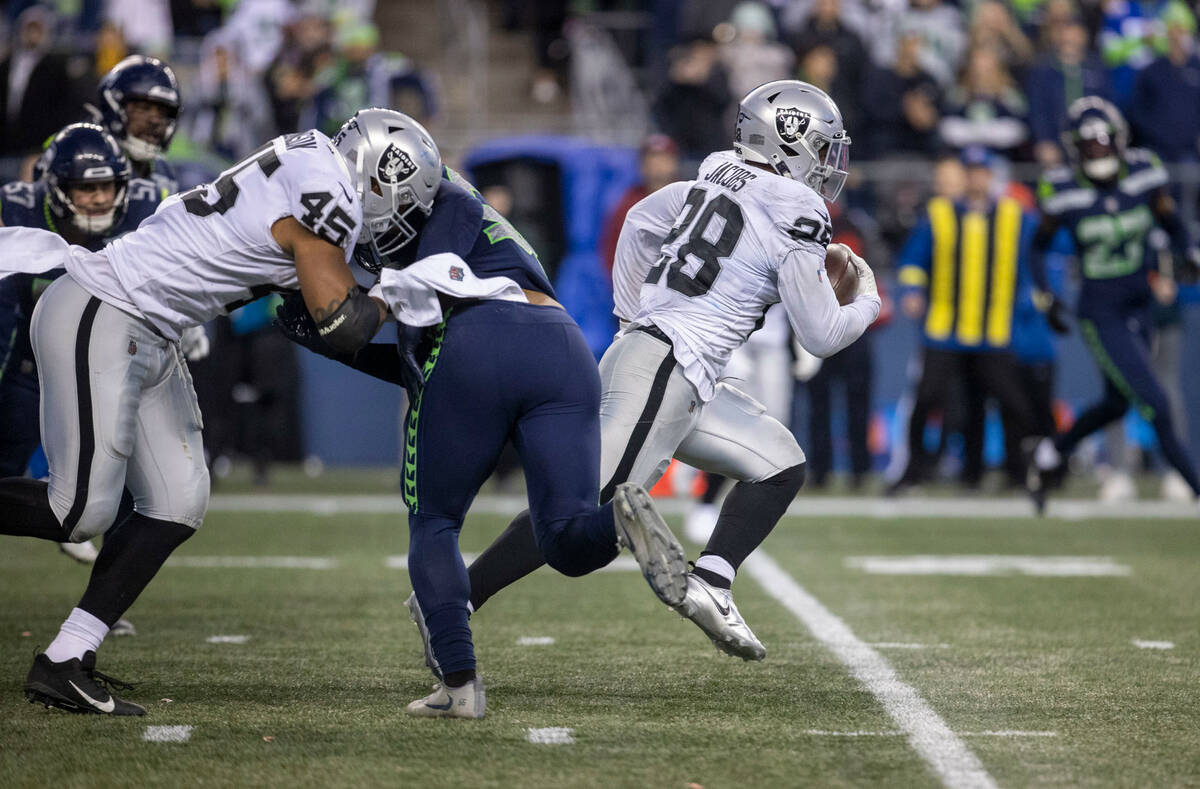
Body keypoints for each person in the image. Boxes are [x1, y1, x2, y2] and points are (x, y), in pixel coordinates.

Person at [277, 109, 688, 719]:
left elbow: (429, 351)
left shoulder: (445, 212)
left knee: (434, 523)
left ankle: (460, 685)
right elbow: (420, 359)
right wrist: (343, 340)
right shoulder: (455, 209)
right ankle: (619, 519)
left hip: (475, 341)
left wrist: (343, 326)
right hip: (560, 343)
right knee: (570, 538)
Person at [453, 81, 880, 664]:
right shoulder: (797, 205)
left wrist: (633, 316)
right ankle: (452, 603)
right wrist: (868, 300)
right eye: (823, 146)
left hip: (676, 368)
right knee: (576, 520)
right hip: (665, 366)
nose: (830, 163)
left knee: (781, 465)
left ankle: (714, 580)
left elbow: (638, 221)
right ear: (789, 140)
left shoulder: (720, 171)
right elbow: (823, 335)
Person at [0, 120, 383, 716]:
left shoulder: (308, 158)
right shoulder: (328, 198)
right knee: (76, 511)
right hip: (106, 307)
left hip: (153, 325)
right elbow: (345, 324)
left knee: (178, 502)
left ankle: (65, 659)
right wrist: (391, 295)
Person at [0, 123, 166, 573]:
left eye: (106, 186)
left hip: (106, 371)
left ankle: (101, 602)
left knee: (129, 483)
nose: (97, 198)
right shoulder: (17, 208)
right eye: (84, 188)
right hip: (26, 369)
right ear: (54, 188)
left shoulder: (146, 212)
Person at [1027, 96, 1200, 511]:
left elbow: (1172, 223)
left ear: (1120, 141)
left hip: (1140, 304)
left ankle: (1052, 452)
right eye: (1088, 144)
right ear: (1075, 147)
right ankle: (1195, 485)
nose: (1097, 150)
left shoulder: (1144, 173)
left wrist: (1187, 253)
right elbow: (1038, 248)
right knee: (1154, 400)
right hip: (1100, 311)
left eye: (1104, 142)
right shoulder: (1063, 189)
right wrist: (1045, 294)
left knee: (1116, 402)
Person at [891, 146, 1041, 490]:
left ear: (990, 176)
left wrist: (1034, 294)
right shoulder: (940, 214)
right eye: (970, 171)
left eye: (981, 171)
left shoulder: (1014, 216)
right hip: (945, 328)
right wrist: (913, 292)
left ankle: (1013, 473)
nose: (976, 178)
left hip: (995, 329)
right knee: (927, 399)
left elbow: (1037, 256)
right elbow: (913, 259)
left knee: (1011, 403)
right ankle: (915, 469)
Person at [93, 55, 182, 195]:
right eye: (143, 108)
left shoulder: (164, 172)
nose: (155, 120)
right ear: (114, 106)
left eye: (163, 112)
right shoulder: (79, 155)